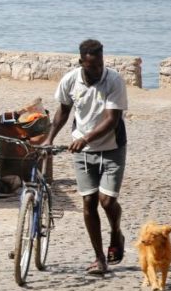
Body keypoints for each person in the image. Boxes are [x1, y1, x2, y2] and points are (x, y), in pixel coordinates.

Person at [47, 39, 128, 275]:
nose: (97, 69)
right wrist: (49, 137)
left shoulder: (114, 80)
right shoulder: (70, 80)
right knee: (89, 202)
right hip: (82, 152)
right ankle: (99, 258)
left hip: (112, 148)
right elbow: (63, 111)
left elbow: (112, 119)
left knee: (107, 201)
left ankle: (116, 232)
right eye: (92, 65)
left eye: (100, 64)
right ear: (82, 62)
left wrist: (85, 139)